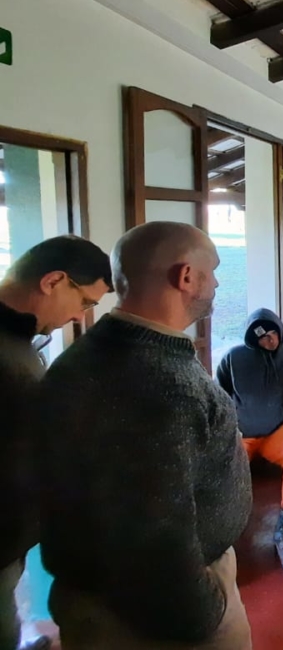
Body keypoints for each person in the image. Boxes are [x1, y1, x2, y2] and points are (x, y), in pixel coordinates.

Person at [39, 222, 252, 650]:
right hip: (159, 617)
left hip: (96, 595)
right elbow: (155, 530)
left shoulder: (83, 358)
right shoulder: (160, 385)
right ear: (186, 276)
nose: (216, 283)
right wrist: (203, 612)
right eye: (212, 271)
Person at [0, 236, 111, 650]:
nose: (80, 316)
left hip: (13, 534)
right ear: (53, 281)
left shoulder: (20, 340)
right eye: (83, 302)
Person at [216, 309, 283, 569]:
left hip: (279, 427)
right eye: (264, 337)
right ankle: (223, 529)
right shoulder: (233, 357)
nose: (270, 339)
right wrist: (233, 418)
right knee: (220, 466)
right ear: (252, 338)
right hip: (242, 431)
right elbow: (219, 393)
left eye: (274, 333)